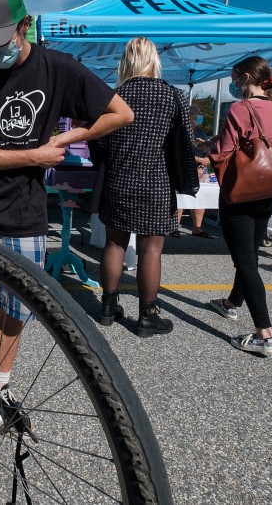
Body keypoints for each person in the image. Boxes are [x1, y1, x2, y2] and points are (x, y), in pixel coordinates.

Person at [0, 0, 133, 425]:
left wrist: (68, 137)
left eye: (0, 40)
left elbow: (121, 113)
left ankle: (0, 387)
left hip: (25, 216)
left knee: (15, 311)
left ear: (25, 24)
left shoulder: (57, 68)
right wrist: (34, 155)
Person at [95, 37, 194, 337]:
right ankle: (147, 316)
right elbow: (185, 142)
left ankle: (107, 308)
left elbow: (99, 141)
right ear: (154, 61)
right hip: (157, 183)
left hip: (118, 180)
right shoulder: (173, 96)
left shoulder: (112, 96)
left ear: (125, 61)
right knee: (151, 250)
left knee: (115, 244)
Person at [206, 56, 272, 357]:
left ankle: (265, 334)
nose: (233, 84)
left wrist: (207, 151)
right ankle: (231, 303)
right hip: (271, 188)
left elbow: (225, 151)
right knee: (250, 254)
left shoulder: (240, 108)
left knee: (244, 260)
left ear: (245, 78)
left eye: (234, 78)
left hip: (243, 189)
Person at [173, 104, 216, 239]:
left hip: (201, 170)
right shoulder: (181, 130)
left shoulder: (200, 132)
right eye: (198, 114)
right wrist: (196, 160)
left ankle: (197, 228)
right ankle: (175, 227)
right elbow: (179, 152)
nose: (200, 116)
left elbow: (206, 149)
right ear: (191, 116)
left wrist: (203, 163)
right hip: (183, 170)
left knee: (200, 198)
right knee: (181, 198)